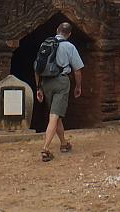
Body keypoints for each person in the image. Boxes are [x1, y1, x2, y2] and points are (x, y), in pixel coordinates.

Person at [34, 21, 84, 162]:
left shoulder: (45, 44)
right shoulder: (69, 46)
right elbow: (78, 70)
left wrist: (38, 87)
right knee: (54, 116)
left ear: (57, 30)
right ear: (69, 34)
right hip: (61, 81)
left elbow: (37, 67)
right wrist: (78, 86)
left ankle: (63, 143)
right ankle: (45, 148)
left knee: (57, 115)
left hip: (46, 82)